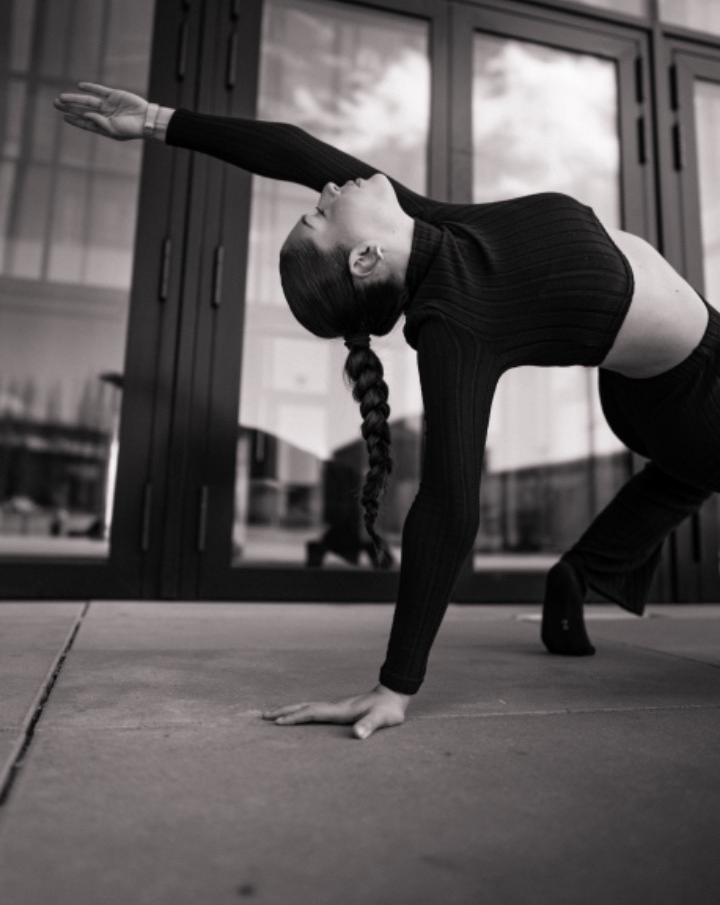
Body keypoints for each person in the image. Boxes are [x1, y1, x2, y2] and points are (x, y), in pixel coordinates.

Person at [54, 82, 719, 741]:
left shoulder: (440, 228)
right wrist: (396, 685)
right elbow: (448, 505)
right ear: (366, 256)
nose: (327, 190)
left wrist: (157, 120)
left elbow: (295, 151)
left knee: (683, 476)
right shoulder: (454, 325)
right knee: (690, 467)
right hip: (693, 398)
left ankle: (581, 572)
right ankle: (587, 570)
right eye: (320, 214)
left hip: (659, 396)